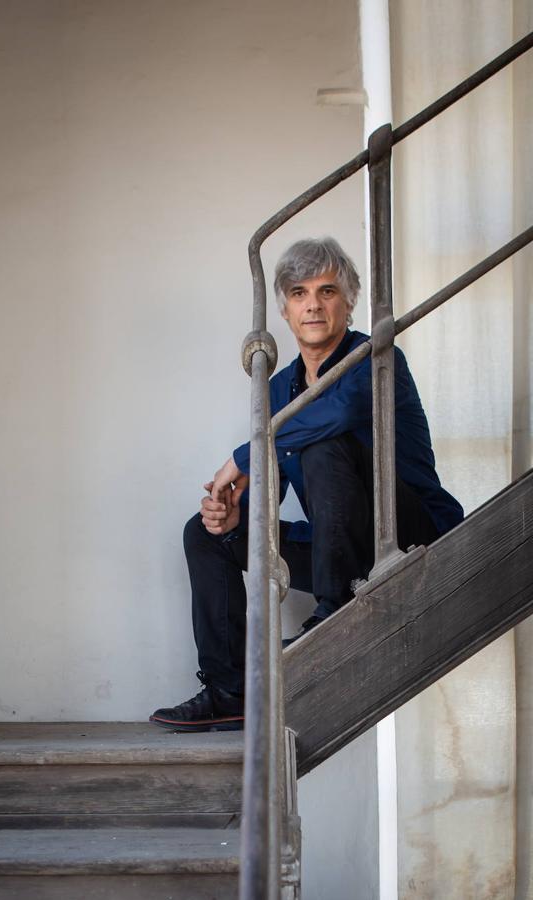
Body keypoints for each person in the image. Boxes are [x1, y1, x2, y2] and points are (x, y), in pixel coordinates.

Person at [149, 237, 463, 732]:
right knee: (204, 533)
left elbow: (332, 415)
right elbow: (268, 485)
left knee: (323, 440)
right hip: (339, 547)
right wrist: (236, 514)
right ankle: (230, 691)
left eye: (327, 290)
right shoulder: (278, 388)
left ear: (349, 300)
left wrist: (244, 454)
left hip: (411, 535)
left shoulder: (375, 357)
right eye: (299, 293)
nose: (313, 304)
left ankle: (333, 619)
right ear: (284, 308)